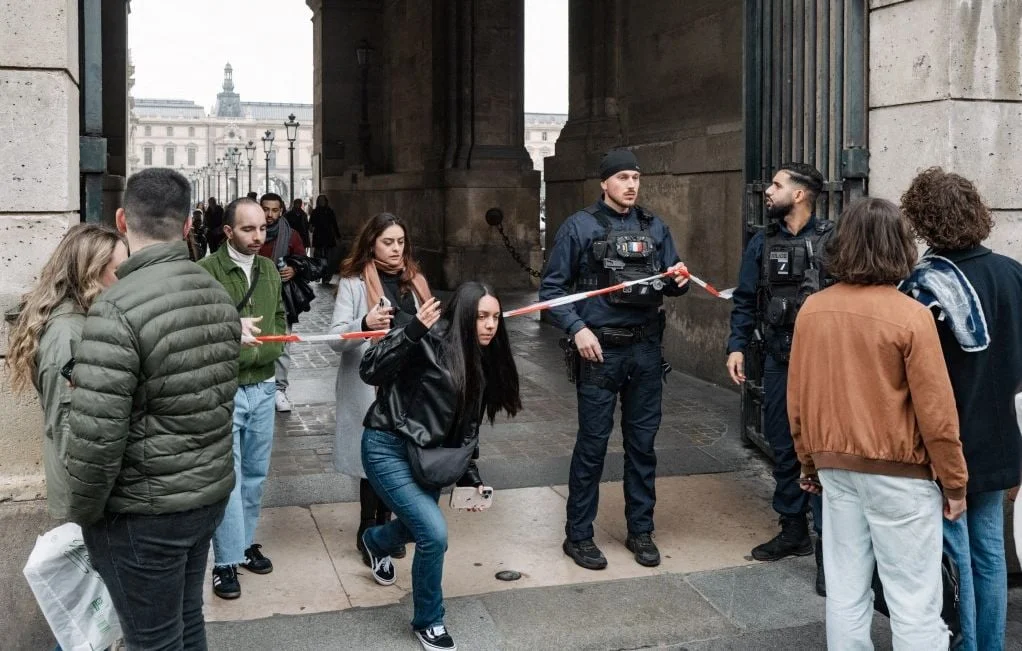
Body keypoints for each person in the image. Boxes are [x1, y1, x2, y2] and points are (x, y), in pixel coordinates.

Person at [63, 168, 241, 650]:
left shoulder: (116, 308)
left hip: (144, 512)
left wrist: (82, 514)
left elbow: (96, 439)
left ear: (121, 219)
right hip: (206, 495)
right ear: (188, 226)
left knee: (153, 640)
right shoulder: (216, 293)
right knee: (186, 619)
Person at [788, 197, 968, 650]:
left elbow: (799, 398)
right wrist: (955, 483)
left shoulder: (813, 309)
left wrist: (808, 462)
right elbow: (937, 414)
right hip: (899, 474)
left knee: (846, 592)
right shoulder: (911, 316)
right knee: (914, 601)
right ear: (899, 247)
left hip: (835, 468)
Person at [539, 149, 689, 570]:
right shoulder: (579, 227)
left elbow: (672, 280)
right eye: (622, 177)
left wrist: (678, 281)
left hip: (644, 350)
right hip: (600, 350)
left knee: (642, 446)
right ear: (604, 183)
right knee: (593, 446)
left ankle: (641, 531)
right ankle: (579, 536)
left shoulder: (655, 226)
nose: (631, 184)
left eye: (636, 177)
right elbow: (552, 293)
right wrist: (577, 328)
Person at [359, 281, 521, 651]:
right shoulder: (427, 339)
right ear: (464, 316)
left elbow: (469, 425)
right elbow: (369, 369)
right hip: (388, 446)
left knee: (421, 529)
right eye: (481, 317)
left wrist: (470, 474)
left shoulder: (481, 358)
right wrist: (411, 332)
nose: (490, 325)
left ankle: (375, 540)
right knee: (434, 533)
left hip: (432, 458)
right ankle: (429, 621)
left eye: (496, 317)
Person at [900, 168, 1022, 651]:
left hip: (946, 435)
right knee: (990, 550)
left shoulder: (923, 286)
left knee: (954, 554)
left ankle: (967, 644)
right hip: (1001, 434)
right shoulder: (1013, 272)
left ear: (924, 220)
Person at [725, 162, 833, 595]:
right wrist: (736, 346)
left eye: (776, 185)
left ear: (801, 194)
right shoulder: (761, 241)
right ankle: (793, 530)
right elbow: (746, 299)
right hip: (779, 358)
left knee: (825, 450)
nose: (767, 191)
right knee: (783, 443)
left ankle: (832, 552)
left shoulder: (834, 240)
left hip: (826, 364)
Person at [329, 212, 433, 564]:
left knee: (399, 457)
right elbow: (335, 338)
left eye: (400, 242)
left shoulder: (415, 280)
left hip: (408, 384)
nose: (395, 249)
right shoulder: (354, 282)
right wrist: (364, 323)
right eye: (388, 242)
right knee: (371, 458)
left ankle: (387, 527)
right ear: (371, 243)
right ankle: (365, 527)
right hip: (371, 383)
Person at [6, 225, 128, 522]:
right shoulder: (68, 335)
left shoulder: (85, 319)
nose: (127, 281)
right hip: (89, 498)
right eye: (120, 272)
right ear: (90, 274)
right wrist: (91, 505)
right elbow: (69, 427)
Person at [198, 197, 287, 600]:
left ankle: (245, 541)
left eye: (263, 229)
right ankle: (224, 561)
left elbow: (280, 318)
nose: (258, 236)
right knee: (228, 478)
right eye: (248, 229)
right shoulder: (205, 272)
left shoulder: (268, 269)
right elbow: (195, 327)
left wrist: (271, 351)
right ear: (228, 231)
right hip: (226, 388)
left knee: (255, 473)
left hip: (264, 384)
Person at [259, 192, 306, 412]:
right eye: (265, 209)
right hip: (253, 297)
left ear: (281, 211)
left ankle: (279, 389)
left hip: (281, 297)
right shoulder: (250, 232)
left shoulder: (292, 235)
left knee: (282, 343)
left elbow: (304, 262)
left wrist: (294, 269)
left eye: (274, 210)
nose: (269, 214)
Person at [309, 194, 341, 285]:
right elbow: (311, 225)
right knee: (318, 258)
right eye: (320, 200)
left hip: (328, 237)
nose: (322, 202)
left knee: (329, 259)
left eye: (323, 200)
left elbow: (334, 224)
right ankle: (318, 275)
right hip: (319, 236)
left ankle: (326, 276)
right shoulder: (315, 212)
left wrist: (338, 236)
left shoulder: (329, 211)